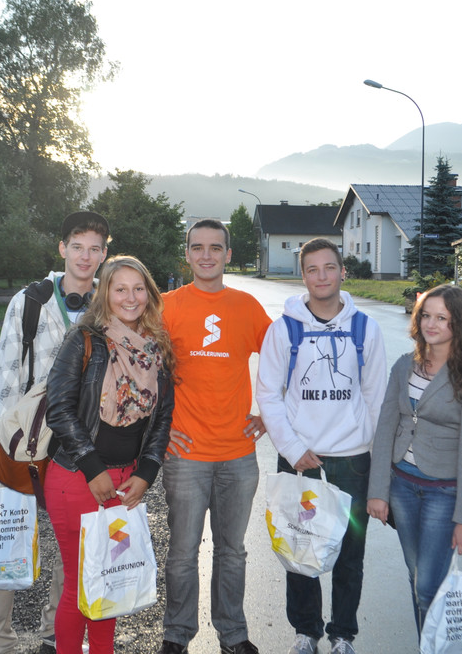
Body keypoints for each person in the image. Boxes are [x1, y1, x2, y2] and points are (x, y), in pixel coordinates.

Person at [0, 211, 110, 654]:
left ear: (104, 254)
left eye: (94, 249)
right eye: (77, 247)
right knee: (8, 536)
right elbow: (5, 372)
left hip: (80, 441)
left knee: (73, 543)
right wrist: (3, 443)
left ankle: (57, 632)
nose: (85, 256)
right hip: (26, 439)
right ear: (62, 248)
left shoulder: (109, 302)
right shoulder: (30, 301)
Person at [254, 238, 387, 654]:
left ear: (342, 271)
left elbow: (376, 397)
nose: (322, 276)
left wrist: (368, 448)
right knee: (301, 548)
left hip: (352, 460)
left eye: (329, 267)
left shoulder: (366, 328)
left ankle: (343, 634)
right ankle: (306, 632)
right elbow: (268, 394)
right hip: (300, 459)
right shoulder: (284, 329)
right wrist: (293, 449)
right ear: (303, 275)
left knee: (350, 553)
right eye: (312, 269)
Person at [44, 255, 176, 654]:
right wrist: (92, 468)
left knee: (111, 581)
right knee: (79, 586)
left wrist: (147, 472)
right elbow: (59, 410)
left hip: (126, 481)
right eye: (120, 289)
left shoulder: (156, 347)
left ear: (149, 294)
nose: (130, 298)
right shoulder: (84, 340)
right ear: (105, 293)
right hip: (77, 478)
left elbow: (162, 419)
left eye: (138, 288)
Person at [158, 218, 271, 654]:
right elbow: (141, 371)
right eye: (197, 247)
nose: (206, 255)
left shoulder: (246, 306)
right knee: (182, 552)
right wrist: (159, 430)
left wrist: (269, 415)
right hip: (186, 453)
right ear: (187, 254)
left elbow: (284, 358)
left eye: (215, 247)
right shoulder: (166, 307)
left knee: (232, 552)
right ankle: (176, 634)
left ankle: (233, 634)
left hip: (238, 454)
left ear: (228, 254)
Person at [366, 284, 462, 637]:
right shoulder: (404, 366)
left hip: (443, 492)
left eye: (442, 318)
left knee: (427, 586)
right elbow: (385, 428)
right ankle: (430, 644)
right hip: (402, 487)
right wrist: (378, 490)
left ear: (459, 324)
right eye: (426, 315)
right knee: (417, 577)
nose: (431, 324)